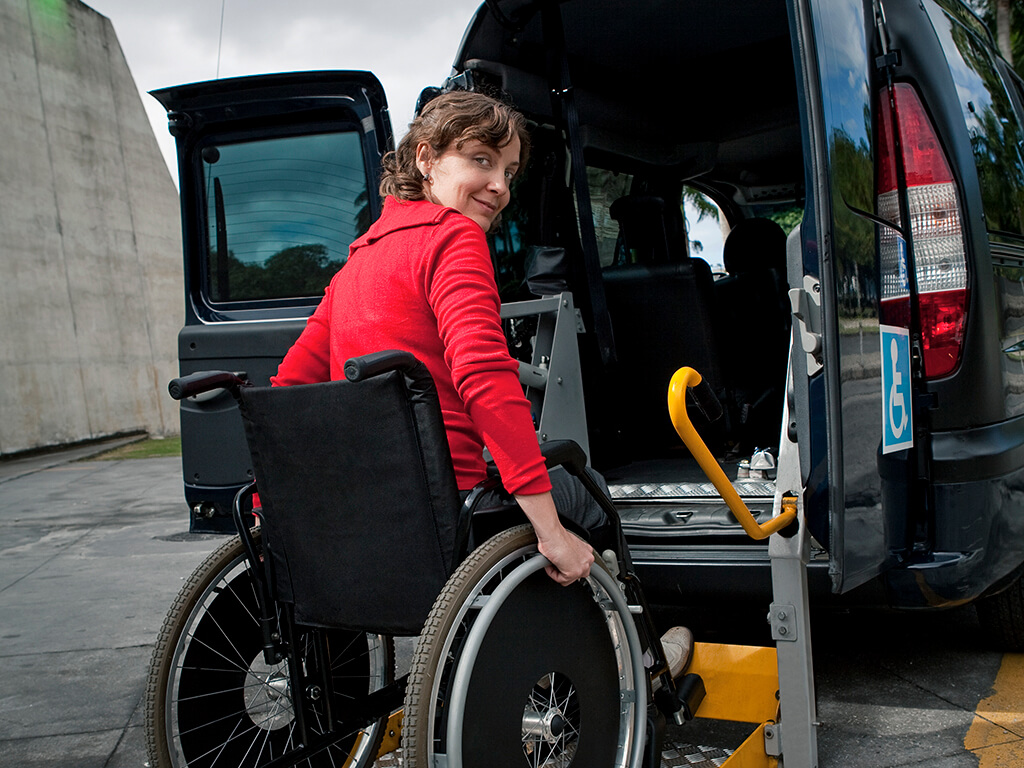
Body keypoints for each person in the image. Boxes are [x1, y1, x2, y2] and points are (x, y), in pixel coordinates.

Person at [270, 90, 597, 585]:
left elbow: (289, 390)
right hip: (450, 504)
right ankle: (628, 626)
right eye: (481, 159)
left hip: (367, 507)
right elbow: (483, 374)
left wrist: (265, 507)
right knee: (588, 489)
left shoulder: (357, 260)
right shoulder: (454, 236)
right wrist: (551, 533)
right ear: (425, 158)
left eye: (509, 172)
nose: (500, 185)